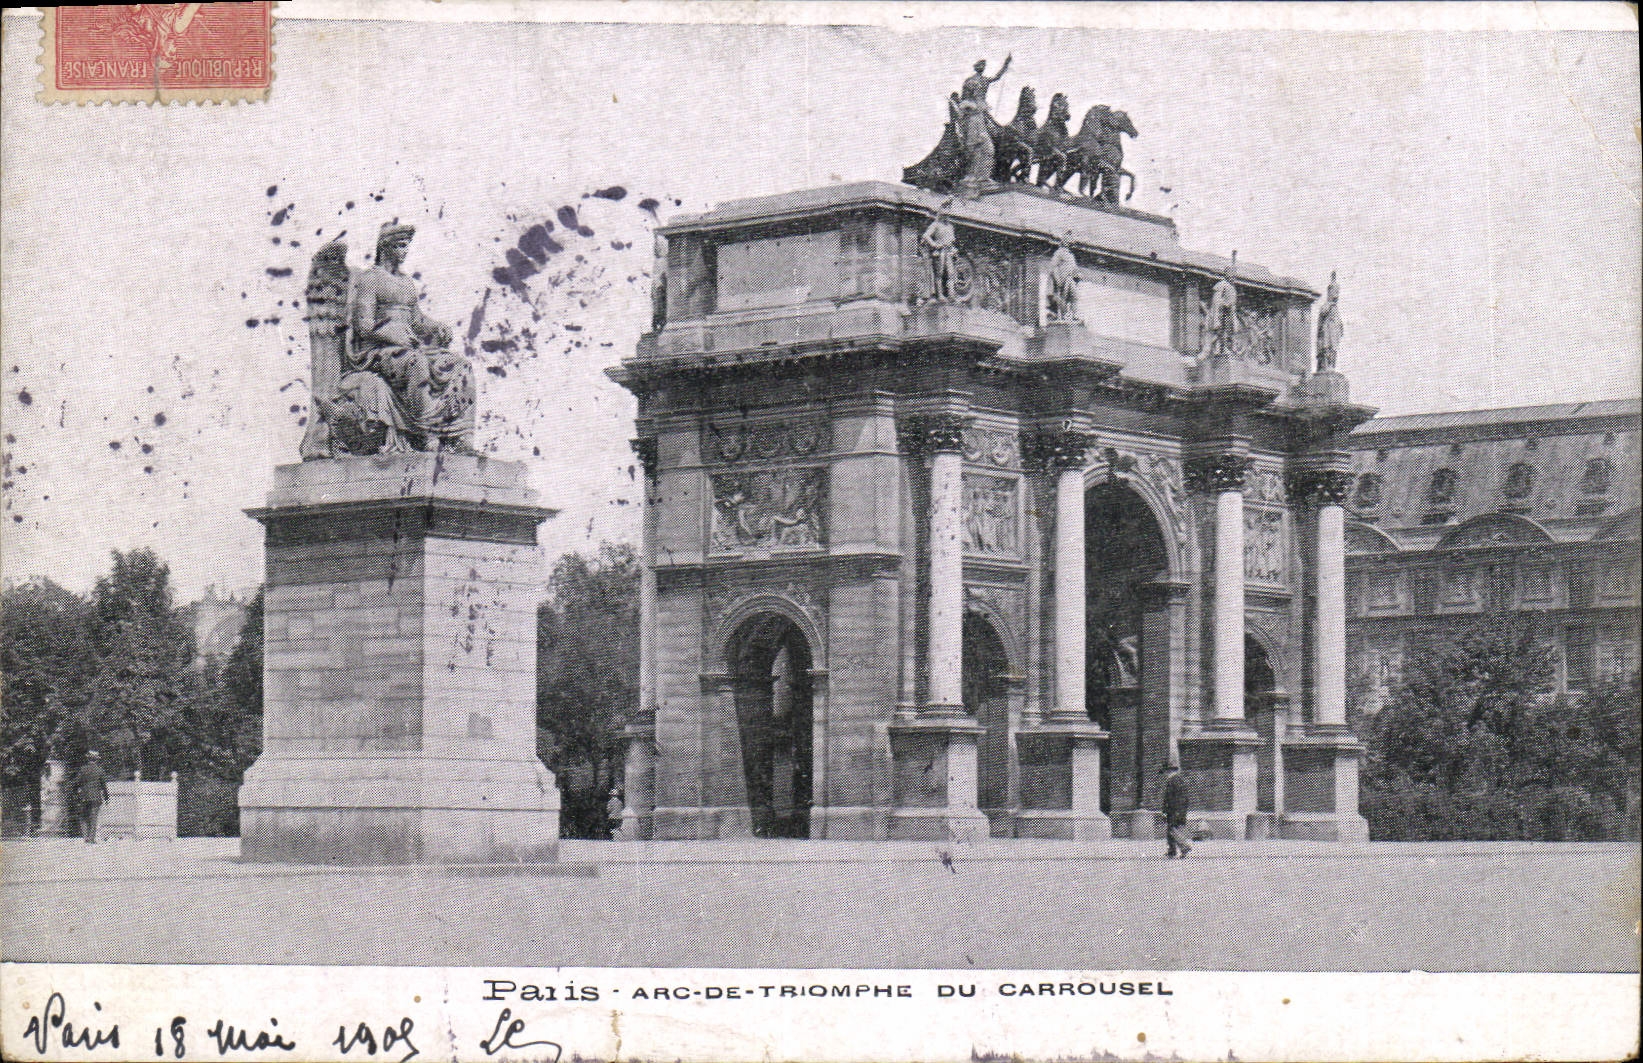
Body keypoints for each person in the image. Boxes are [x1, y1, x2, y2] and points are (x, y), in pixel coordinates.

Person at [921, 202, 959, 301]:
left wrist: (953, 247)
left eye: (948, 215)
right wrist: (934, 244)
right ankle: (940, 294)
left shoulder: (950, 226)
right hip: (939, 251)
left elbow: (952, 239)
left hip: (949, 251)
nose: (947, 217)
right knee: (939, 273)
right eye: (945, 215)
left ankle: (951, 293)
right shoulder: (936, 224)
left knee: (951, 273)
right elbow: (926, 236)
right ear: (941, 214)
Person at [76, 750, 109, 845]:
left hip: (84, 797)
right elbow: (104, 786)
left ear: (88, 759)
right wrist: (106, 798)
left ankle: (86, 836)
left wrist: (76, 792)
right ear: (96, 760)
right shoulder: (100, 770)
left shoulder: (83, 769)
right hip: (96, 798)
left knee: (83, 817)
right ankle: (91, 838)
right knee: (93, 817)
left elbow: (77, 782)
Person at [1160, 761, 1192, 859]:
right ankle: (1173, 851)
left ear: (1168, 771)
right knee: (1173, 830)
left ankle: (1183, 847)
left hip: (1174, 810)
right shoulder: (1179, 780)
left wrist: (1166, 811)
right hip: (1178, 810)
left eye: (1165, 772)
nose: (1164, 774)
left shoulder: (1172, 781)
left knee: (1173, 830)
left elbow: (1170, 798)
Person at [1047, 236, 1079, 322]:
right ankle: (1062, 316)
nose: (1070, 243)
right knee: (1062, 298)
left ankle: (1075, 314)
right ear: (1064, 242)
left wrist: (1078, 275)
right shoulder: (1059, 253)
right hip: (1062, 279)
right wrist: (1058, 280)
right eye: (1068, 241)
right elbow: (1054, 267)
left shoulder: (1071, 255)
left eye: (1071, 241)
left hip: (1070, 278)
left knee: (1074, 296)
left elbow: (1074, 268)